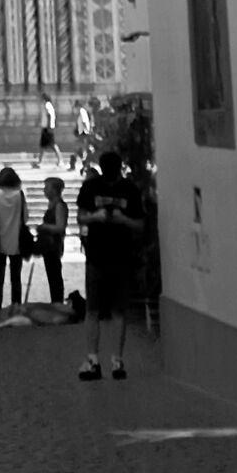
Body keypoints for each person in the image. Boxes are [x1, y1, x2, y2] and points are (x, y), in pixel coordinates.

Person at [77, 149, 145, 380]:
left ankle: (97, 359)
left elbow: (139, 225)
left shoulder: (115, 188)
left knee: (97, 311)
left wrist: (120, 219)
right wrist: (98, 217)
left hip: (108, 256)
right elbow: (82, 216)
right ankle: (113, 360)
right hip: (108, 256)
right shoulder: (127, 189)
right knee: (112, 311)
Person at [0, 165, 27, 325]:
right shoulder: (20, 195)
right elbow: (26, 217)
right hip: (16, 241)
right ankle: (16, 308)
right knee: (16, 277)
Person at [37, 175, 71, 311]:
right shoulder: (53, 205)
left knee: (55, 274)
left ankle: (57, 301)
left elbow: (60, 226)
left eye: (47, 187)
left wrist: (44, 227)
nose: (44, 190)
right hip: (48, 244)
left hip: (54, 244)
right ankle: (55, 301)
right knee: (52, 273)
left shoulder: (59, 206)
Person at [37, 94, 64, 170]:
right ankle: (40, 161)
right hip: (46, 128)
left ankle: (60, 160)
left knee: (53, 145)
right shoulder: (47, 105)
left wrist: (49, 127)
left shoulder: (47, 105)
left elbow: (49, 116)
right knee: (42, 145)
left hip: (48, 128)